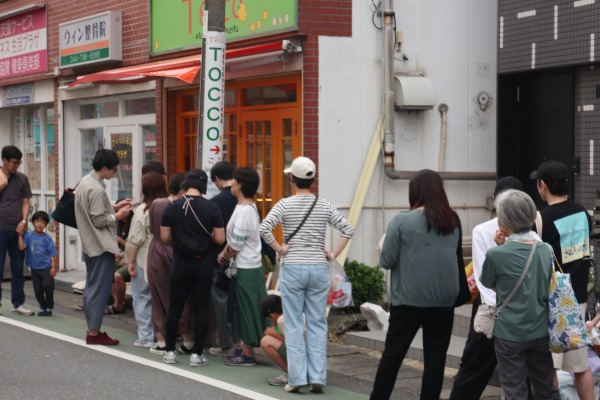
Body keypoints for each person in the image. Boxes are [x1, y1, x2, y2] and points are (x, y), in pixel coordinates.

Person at [259, 156, 354, 393]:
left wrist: (280, 248)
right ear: (311, 179)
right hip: (318, 269)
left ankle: (297, 378)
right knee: (317, 323)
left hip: (294, 268)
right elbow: (347, 229)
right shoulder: (323, 205)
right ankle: (318, 376)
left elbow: (264, 228)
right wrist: (332, 254)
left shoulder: (284, 204)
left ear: (292, 178)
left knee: (292, 324)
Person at [370, 169, 464, 400]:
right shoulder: (452, 220)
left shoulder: (402, 221)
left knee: (393, 356)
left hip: (409, 300)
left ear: (415, 192)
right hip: (444, 300)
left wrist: (383, 245)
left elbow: (386, 261)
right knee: (436, 358)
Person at [449, 176, 528, 400]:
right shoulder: (532, 227)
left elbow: (484, 277)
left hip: (490, 309)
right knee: (525, 372)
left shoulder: (483, 230)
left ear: (495, 201)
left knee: (474, 368)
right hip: (523, 310)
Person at [480, 189, 560, 400]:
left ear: (505, 220)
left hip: (509, 333)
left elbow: (489, 283)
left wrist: (500, 246)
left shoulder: (496, 254)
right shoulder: (545, 249)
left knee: (515, 389)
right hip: (540, 330)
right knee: (546, 388)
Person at [530, 160, 595, 400]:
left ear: (543, 185)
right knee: (580, 366)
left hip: (552, 302)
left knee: (550, 365)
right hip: (577, 299)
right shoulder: (583, 214)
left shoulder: (540, 219)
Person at [161, 169, 225, 366]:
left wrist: (180, 237)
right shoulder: (212, 208)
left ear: (185, 185)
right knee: (200, 308)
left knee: (175, 307)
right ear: (204, 185)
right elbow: (220, 238)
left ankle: (170, 351)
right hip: (203, 263)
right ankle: (197, 355)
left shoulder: (172, 207)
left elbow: (164, 238)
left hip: (180, 262)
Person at [75, 148, 132, 345]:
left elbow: (93, 213)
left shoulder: (85, 182)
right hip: (100, 245)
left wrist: (114, 207)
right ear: (105, 168)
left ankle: (92, 329)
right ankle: (94, 332)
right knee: (100, 288)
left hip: (90, 244)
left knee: (92, 286)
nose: (114, 173)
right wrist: (118, 216)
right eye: (114, 169)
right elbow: (99, 220)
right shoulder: (97, 189)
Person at [217, 167, 267, 367]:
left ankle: (247, 353)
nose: (232, 184)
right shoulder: (244, 207)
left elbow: (236, 243)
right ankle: (247, 349)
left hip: (247, 266)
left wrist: (223, 255)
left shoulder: (246, 210)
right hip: (246, 266)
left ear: (240, 186)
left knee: (248, 309)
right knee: (247, 308)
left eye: (235, 181)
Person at [146, 172, 194, 355]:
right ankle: (187, 339)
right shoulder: (184, 206)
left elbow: (153, 229)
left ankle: (161, 340)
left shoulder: (157, 204)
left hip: (156, 252)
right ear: (183, 189)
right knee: (181, 296)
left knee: (158, 296)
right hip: (177, 253)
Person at [127, 171, 168, 348]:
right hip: (166, 261)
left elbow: (135, 239)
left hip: (145, 259)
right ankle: (163, 335)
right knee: (161, 299)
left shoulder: (142, 211)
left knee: (142, 297)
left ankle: (146, 336)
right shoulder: (169, 206)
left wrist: (130, 261)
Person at [209, 161, 239, 356]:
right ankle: (239, 341)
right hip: (243, 259)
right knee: (236, 302)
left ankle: (226, 344)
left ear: (217, 179)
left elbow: (212, 234)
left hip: (220, 258)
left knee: (220, 300)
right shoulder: (243, 200)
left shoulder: (215, 202)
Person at [0, 145, 34, 316]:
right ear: (4, 161)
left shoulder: (22, 179)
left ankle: (18, 303)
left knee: (18, 268)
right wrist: (3, 181)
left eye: (18, 163)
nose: (16, 166)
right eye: (13, 163)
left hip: (18, 230)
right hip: (0, 228)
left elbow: (26, 202)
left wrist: (24, 220)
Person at [17, 211, 58, 316]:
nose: (40, 224)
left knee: (48, 286)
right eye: (37, 221)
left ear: (46, 225)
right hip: (34, 269)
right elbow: (22, 247)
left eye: (43, 222)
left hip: (46, 268)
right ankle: (42, 307)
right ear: (33, 222)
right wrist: (20, 236)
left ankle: (49, 307)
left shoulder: (47, 239)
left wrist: (53, 267)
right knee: (38, 289)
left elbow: (52, 254)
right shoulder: (28, 236)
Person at [260, 293, 288, 386]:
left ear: (272, 315)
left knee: (265, 341)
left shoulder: (283, 320)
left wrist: (275, 334)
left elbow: (294, 344)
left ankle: (293, 375)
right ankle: (293, 373)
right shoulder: (282, 318)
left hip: (301, 356)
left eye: (269, 317)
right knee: (267, 339)